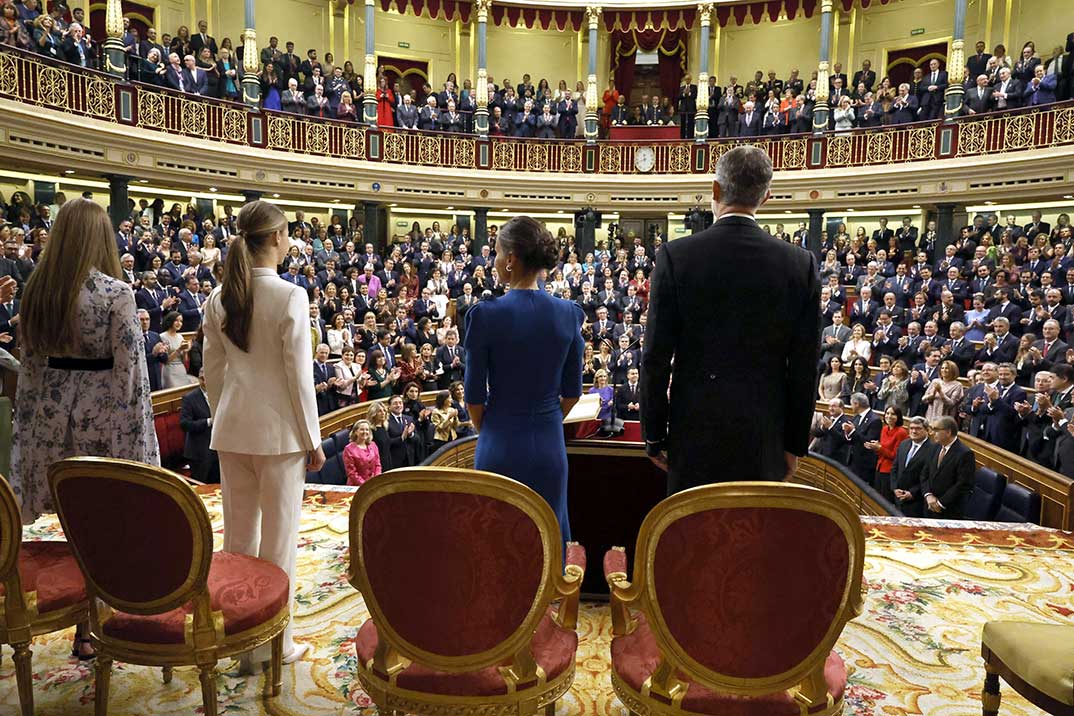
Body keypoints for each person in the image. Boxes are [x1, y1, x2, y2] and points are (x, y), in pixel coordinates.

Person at [11, 199, 160, 658]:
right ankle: (92, 623)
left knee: (73, 519)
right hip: (104, 420)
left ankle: (79, 616)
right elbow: (131, 375)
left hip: (53, 423)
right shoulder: (115, 292)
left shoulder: (38, 289)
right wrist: (142, 446)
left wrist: (30, 435)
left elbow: (29, 369)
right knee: (103, 521)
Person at [641, 146, 819, 493]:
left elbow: (655, 358)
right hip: (763, 437)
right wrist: (794, 444)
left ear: (716, 190)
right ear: (766, 197)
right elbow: (804, 366)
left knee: (692, 537)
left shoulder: (676, 256)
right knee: (755, 539)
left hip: (693, 434)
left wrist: (654, 435)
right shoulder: (800, 264)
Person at [202, 199, 324, 671]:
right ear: (275, 238)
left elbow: (211, 373)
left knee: (238, 541)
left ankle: (241, 645)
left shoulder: (218, 297)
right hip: (280, 436)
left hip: (232, 429)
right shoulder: (290, 295)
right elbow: (299, 376)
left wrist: (225, 415)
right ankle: (276, 644)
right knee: (279, 542)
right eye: (288, 232)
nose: (290, 240)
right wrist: (313, 439)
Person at [464, 216, 584, 543]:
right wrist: (545, 418)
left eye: (498, 253)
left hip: (498, 443)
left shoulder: (485, 314)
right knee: (547, 538)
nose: (496, 260)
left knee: (497, 540)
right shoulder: (568, 312)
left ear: (512, 258)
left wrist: (493, 427)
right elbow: (573, 393)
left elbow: (473, 397)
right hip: (548, 444)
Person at [921, 415, 976, 519]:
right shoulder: (935, 447)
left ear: (948, 432)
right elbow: (924, 473)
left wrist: (940, 503)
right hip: (929, 505)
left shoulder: (965, 453)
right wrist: (928, 495)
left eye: (936, 430)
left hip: (948, 510)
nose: (932, 433)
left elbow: (963, 484)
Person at [180, 368, 219, 483]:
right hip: (199, 452)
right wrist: (208, 421)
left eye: (208, 378)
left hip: (217, 449)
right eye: (202, 379)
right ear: (199, 379)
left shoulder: (219, 393)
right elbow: (184, 424)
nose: (205, 382)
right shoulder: (189, 398)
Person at [889, 416, 933, 517]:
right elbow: (894, 468)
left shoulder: (933, 449)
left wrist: (912, 493)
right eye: (911, 428)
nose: (914, 431)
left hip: (916, 502)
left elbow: (929, 477)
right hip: (898, 498)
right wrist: (895, 488)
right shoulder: (904, 444)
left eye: (918, 428)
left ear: (927, 430)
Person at [867, 405, 908, 502]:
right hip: (879, 467)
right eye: (887, 413)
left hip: (889, 471)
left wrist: (879, 448)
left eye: (893, 414)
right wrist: (875, 447)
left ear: (898, 417)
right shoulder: (885, 429)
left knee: (885, 500)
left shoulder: (901, 432)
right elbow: (881, 449)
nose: (889, 416)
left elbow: (896, 456)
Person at [160, 310, 194, 388]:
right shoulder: (163, 337)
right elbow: (166, 360)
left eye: (181, 321)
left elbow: (184, 360)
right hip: (169, 370)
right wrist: (179, 349)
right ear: (170, 321)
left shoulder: (180, 337)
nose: (179, 323)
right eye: (176, 320)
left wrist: (186, 351)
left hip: (181, 369)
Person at [342, 419, 381, 487]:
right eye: (362, 429)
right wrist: (365, 485)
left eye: (367, 429)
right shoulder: (348, 449)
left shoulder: (373, 445)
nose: (365, 432)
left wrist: (376, 480)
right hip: (357, 486)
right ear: (355, 432)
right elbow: (351, 473)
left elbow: (378, 465)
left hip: (374, 483)